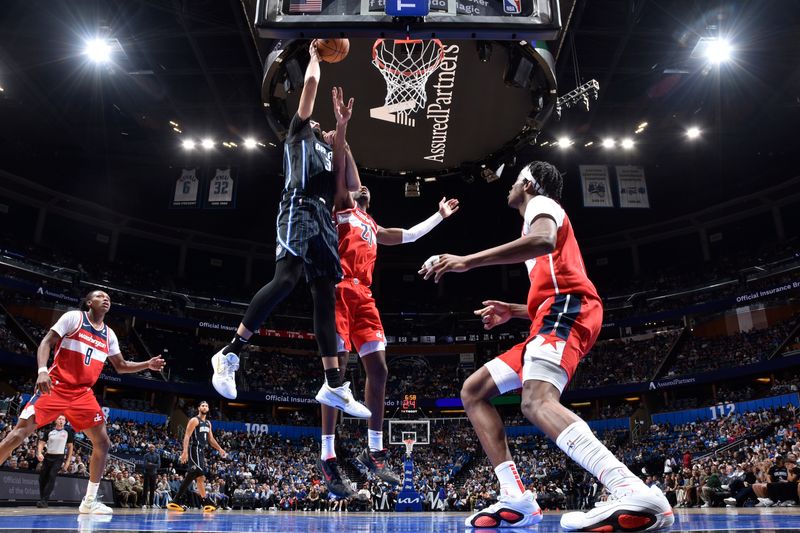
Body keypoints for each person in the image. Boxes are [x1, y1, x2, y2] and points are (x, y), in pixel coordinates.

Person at [420, 161, 673, 530]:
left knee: (536, 401)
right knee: (474, 391)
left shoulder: (542, 205)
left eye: (514, 182)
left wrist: (466, 262)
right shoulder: (535, 220)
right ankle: (516, 498)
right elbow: (549, 283)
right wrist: (515, 310)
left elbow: (543, 242)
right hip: (549, 315)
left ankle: (630, 487)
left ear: (527, 183)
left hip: (568, 308)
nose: (509, 188)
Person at [209, 40, 369, 422]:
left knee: (324, 296)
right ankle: (230, 352)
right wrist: (314, 58)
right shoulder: (298, 134)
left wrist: (343, 135)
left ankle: (333, 384)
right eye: (320, 122)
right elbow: (310, 90)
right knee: (286, 279)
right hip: (296, 207)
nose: (321, 124)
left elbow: (352, 190)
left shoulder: (332, 152)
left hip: (323, 220)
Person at [318, 184, 460, 495]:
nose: (364, 188)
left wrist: (439, 215)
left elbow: (410, 234)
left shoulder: (373, 225)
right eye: (358, 188)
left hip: (365, 296)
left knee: (379, 370)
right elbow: (344, 172)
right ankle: (327, 454)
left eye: (367, 189)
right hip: (339, 288)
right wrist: (342, 137)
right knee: (337, 373)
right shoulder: (342, 212)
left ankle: (375, 451)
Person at [0, 289, 165, 514]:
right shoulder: (74, 318)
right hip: (55, 386)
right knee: (19, 434)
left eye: (108, 298)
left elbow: (121, 366)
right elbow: (46, 342)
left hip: (82, 394)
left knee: (103, 443)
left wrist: (147, 364)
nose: (106, 299)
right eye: (100, 296)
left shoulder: (109, 334)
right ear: (89, 302)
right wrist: (41, 370)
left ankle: (88, 501)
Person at [167, 401, 227, 513]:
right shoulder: (194, 420)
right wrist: (184, 452)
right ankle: (177, 499)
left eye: (206, 405)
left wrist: (220, 449)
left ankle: (204, 501)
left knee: (200, 477)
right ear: (199, 408)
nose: (204, 407)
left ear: (208, 409)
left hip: (201, 451)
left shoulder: (208, 423)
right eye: (202, 405)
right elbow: (187, 436)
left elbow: (211, 440)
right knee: (195, 472)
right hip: (194, 449)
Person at [36, 414, 74, 508]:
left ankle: (44, 500)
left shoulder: (67, 432)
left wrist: (67, 462)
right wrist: (39, 453)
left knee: (52, 475)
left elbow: (70, 447)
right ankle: (42, 499)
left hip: (59, 457)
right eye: (59, 419)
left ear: (65, 422)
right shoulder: (49, 431)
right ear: (55, 420)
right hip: (48, 456)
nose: (61, 420)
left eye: (63, 419)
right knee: (42, 478)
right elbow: (41, 443)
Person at [142, 443, 161, 509]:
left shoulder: (157, 455)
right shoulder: (146, 455)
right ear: (149, 448)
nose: (152, 448)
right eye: (150, 447)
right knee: (145, 489)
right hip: (147, 473)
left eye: (153, 447)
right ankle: (144, 504)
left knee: (153, 489)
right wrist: (154, 464)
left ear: (155, 448)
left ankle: (151, 504)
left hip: (154, 474)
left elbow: (158, 465)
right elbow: (144, 465)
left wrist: (150, 464)